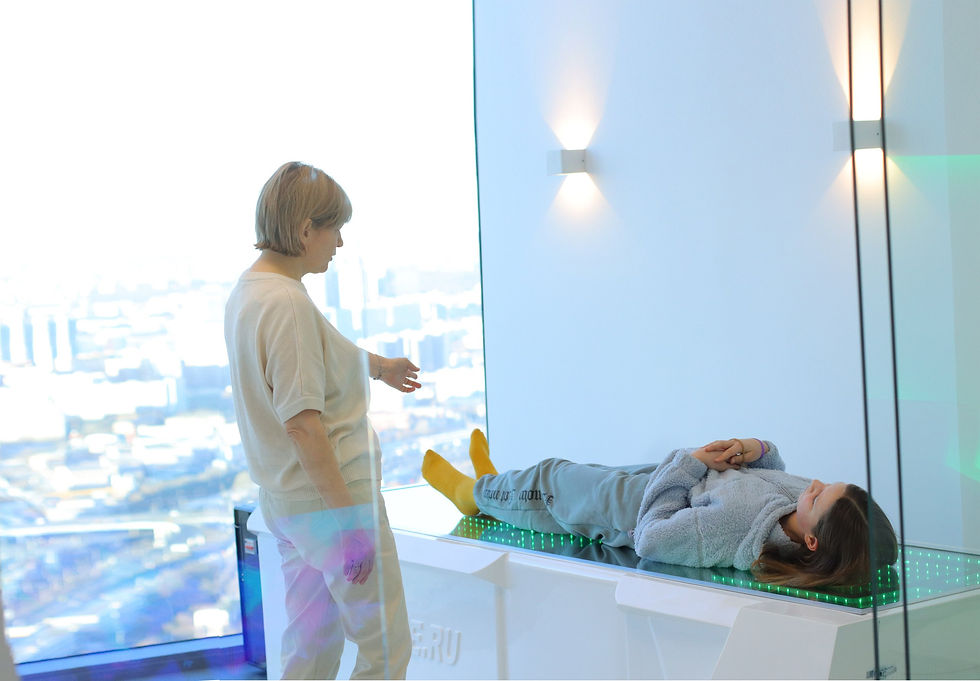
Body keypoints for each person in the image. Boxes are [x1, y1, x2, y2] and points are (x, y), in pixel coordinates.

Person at [225, 161, 420, 679]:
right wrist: (352, 528)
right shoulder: (287, 303)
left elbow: (321, 356)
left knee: (311, 650)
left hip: (289, 503)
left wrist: (380, 368)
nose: (338, 243)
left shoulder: (251, 292)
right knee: (385, 650)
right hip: (332, 502)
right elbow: (303, 425)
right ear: (305, 229)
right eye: (334, 229)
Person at [423, 430, 898, 588]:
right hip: (675, 476)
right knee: (575, 474)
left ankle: (474, 494)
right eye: (826, 484)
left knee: (554, 482)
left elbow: (652, 538)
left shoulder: (736, 533)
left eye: (820, 494)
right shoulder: (800, 508)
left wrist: (691, 465)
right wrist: (751, 448)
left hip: (642, 505)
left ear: (812, 541)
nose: (813, 485)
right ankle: (492, 487)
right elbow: (775, 468)